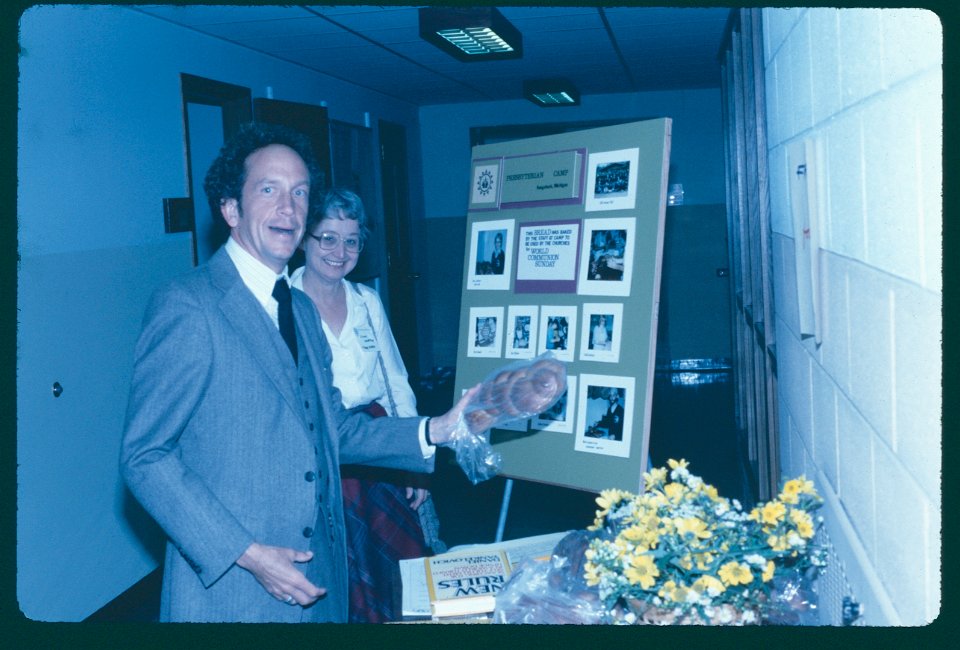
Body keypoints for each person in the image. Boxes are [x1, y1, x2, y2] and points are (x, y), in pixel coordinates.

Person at [119, 123, 474, 623]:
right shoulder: (189, 305)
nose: (288, 208)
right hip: (235, 585)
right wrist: (248, 553)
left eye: (300, 192)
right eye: (269, 189)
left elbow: (336, 428)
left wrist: (437, 428)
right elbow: (145, 457)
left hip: (323, 575)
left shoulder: (301, 310)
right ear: (230, 208)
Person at [289, 188, 437, 623]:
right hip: (319, 449)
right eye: (328, 238)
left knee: (396, 564)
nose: (340, 251)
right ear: (304, 241)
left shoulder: (367, 303)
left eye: (352, 240)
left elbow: (395, 382)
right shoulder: (282, 304)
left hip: (375, 447)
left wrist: (414, 460)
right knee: (339, 570)